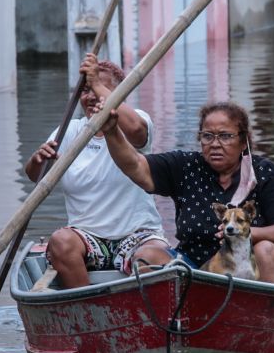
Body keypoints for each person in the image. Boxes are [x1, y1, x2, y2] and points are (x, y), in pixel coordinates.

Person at [96, 100, 274, 285]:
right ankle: (163, 320)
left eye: (226, 136)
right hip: (196, 271)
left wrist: (245, 234)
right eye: (208, 136)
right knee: (147, 255)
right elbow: (136, 166)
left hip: (252, 271)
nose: (215, 144)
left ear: (243, 142)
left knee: (266, 249)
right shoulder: (186, 167)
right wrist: (112, 132)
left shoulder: (263, 171)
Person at [25, 53, 170, 288]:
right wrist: (38, 160)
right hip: (87, 238)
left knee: (154, 257)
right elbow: (36, 176)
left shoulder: (136, 122)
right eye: (85, 90)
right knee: (60, 241)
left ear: (119, 94)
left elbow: (136, 130)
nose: (91, 96)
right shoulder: (70, 130)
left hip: (138, 235)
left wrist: (95, 82)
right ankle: (87, 310)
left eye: (99, 89)